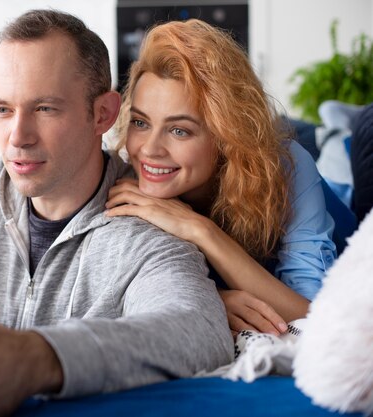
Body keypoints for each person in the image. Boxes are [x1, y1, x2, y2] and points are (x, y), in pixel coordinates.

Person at [0, 10, 233, 417]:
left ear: (103, 114)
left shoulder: (150, 223)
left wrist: (24, 358)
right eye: (3, 110)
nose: (18, 138)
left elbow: (197, 331)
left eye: (45, 109)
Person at [106, 19, 337, 337]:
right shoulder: (127, 180)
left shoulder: (288, 167)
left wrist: (201, 230)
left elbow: (316, 316)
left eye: (179, 130)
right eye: (141, 123)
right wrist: (209, 298)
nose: (149, 150)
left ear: (226, 135)